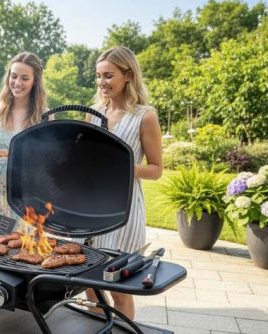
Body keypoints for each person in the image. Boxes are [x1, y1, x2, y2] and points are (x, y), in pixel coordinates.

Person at [84, 46, 162, 320]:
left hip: (125, 211)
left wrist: (120, 167)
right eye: (98, 76)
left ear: (128, 75)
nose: (101, 82)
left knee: (118, 286)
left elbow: (156, 170)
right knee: (89, 282)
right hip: (89, 207)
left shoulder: (145, 116)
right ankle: (94, 326)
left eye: (108, 75)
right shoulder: (92, 112)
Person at [0, 52, 48, 227]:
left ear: (35, 81)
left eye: (25, 78)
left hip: (26, 190)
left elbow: (46, 162)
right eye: (13, 76)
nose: (17, 83)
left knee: (23, 246)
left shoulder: (44, 115)